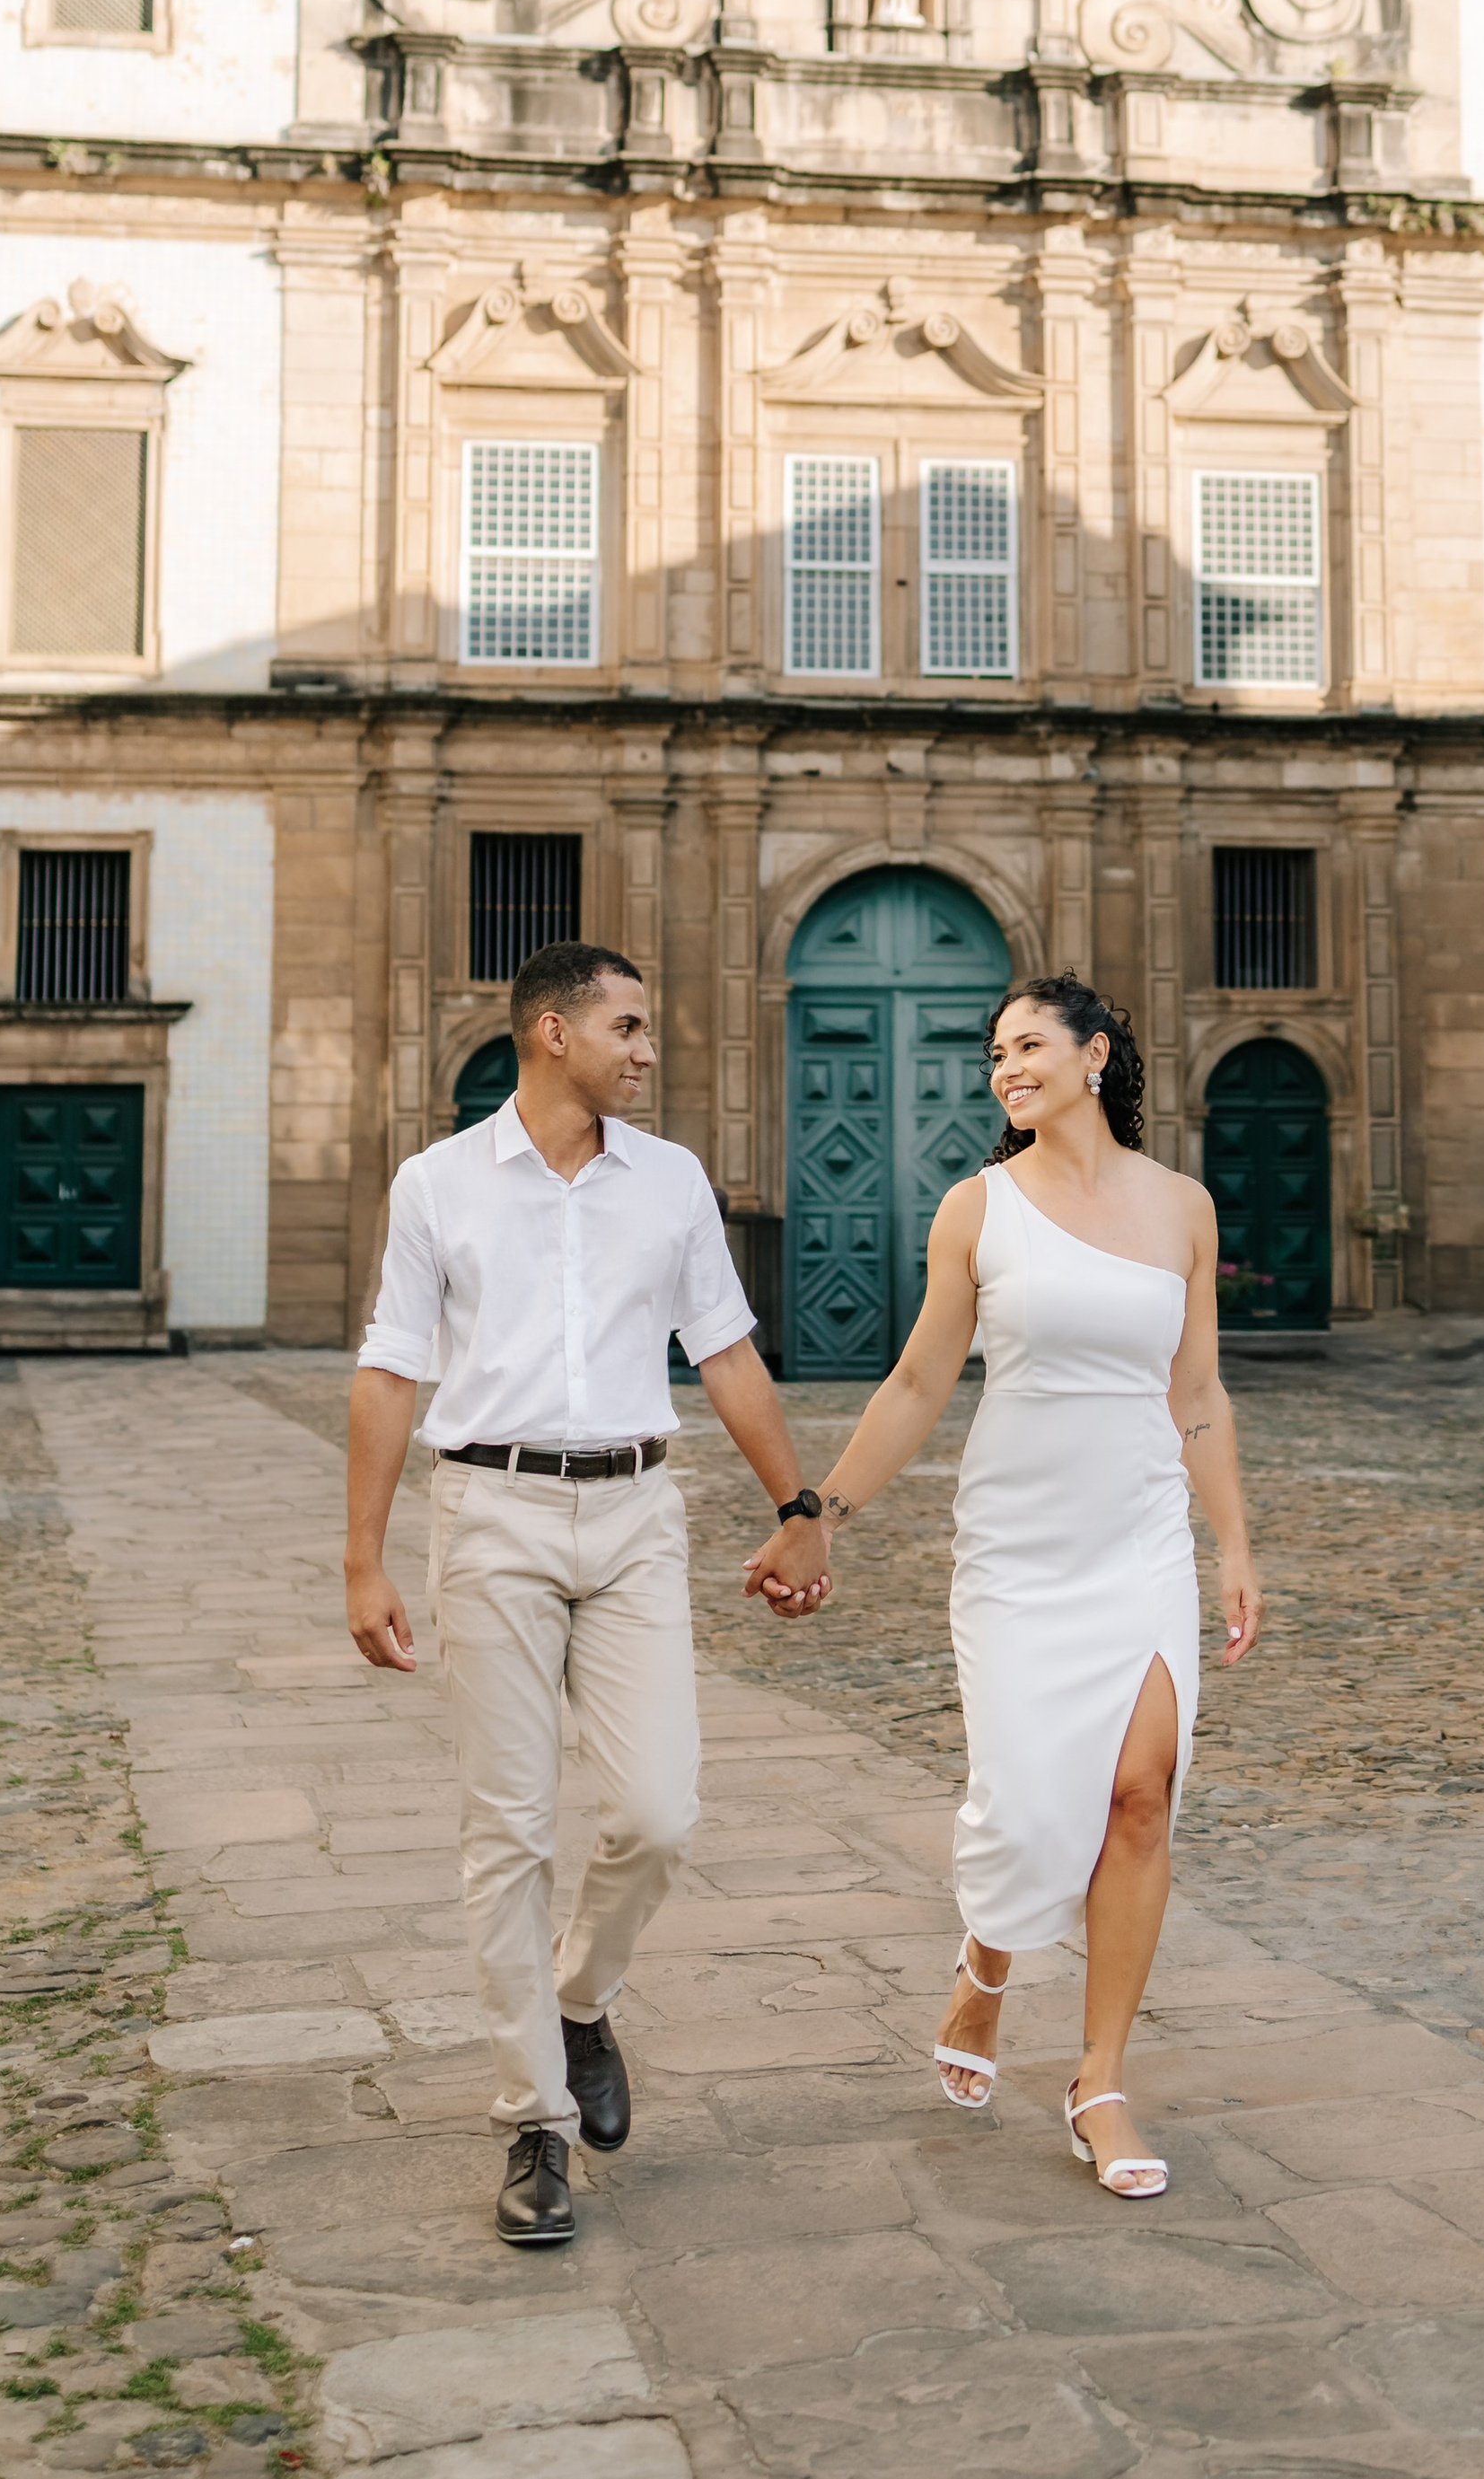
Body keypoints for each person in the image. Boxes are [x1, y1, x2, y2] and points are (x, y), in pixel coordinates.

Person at [344, 942, 828, 2251]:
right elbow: (392, 1371)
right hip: (489, 1510)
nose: (648, 1048)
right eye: (628, 1025)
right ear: (552, 1033)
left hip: (633, 1511)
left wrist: (799, 1508)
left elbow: (725, 1352)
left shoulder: (667, 1182)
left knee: (660, 1808)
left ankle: (580, 1993)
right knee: (507, 1828)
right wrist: (363, 1556)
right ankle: (534, 2123)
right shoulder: (439, 1184)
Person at [745, 974, 1260, 2199]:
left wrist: (1233, 1542)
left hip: (1138, 1534)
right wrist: (824, 1512)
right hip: (1020, 1547)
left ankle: (1100, 2081)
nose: (1005, 1066)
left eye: (1028, 1044)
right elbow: (921, 1380)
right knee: (1032, 1809)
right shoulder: (978, 1209)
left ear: (1097, 1054)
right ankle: (986, 1966)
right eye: (995, 1053)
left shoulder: (1183, 1207)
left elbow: (1197, 1395)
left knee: (1142, 1794)